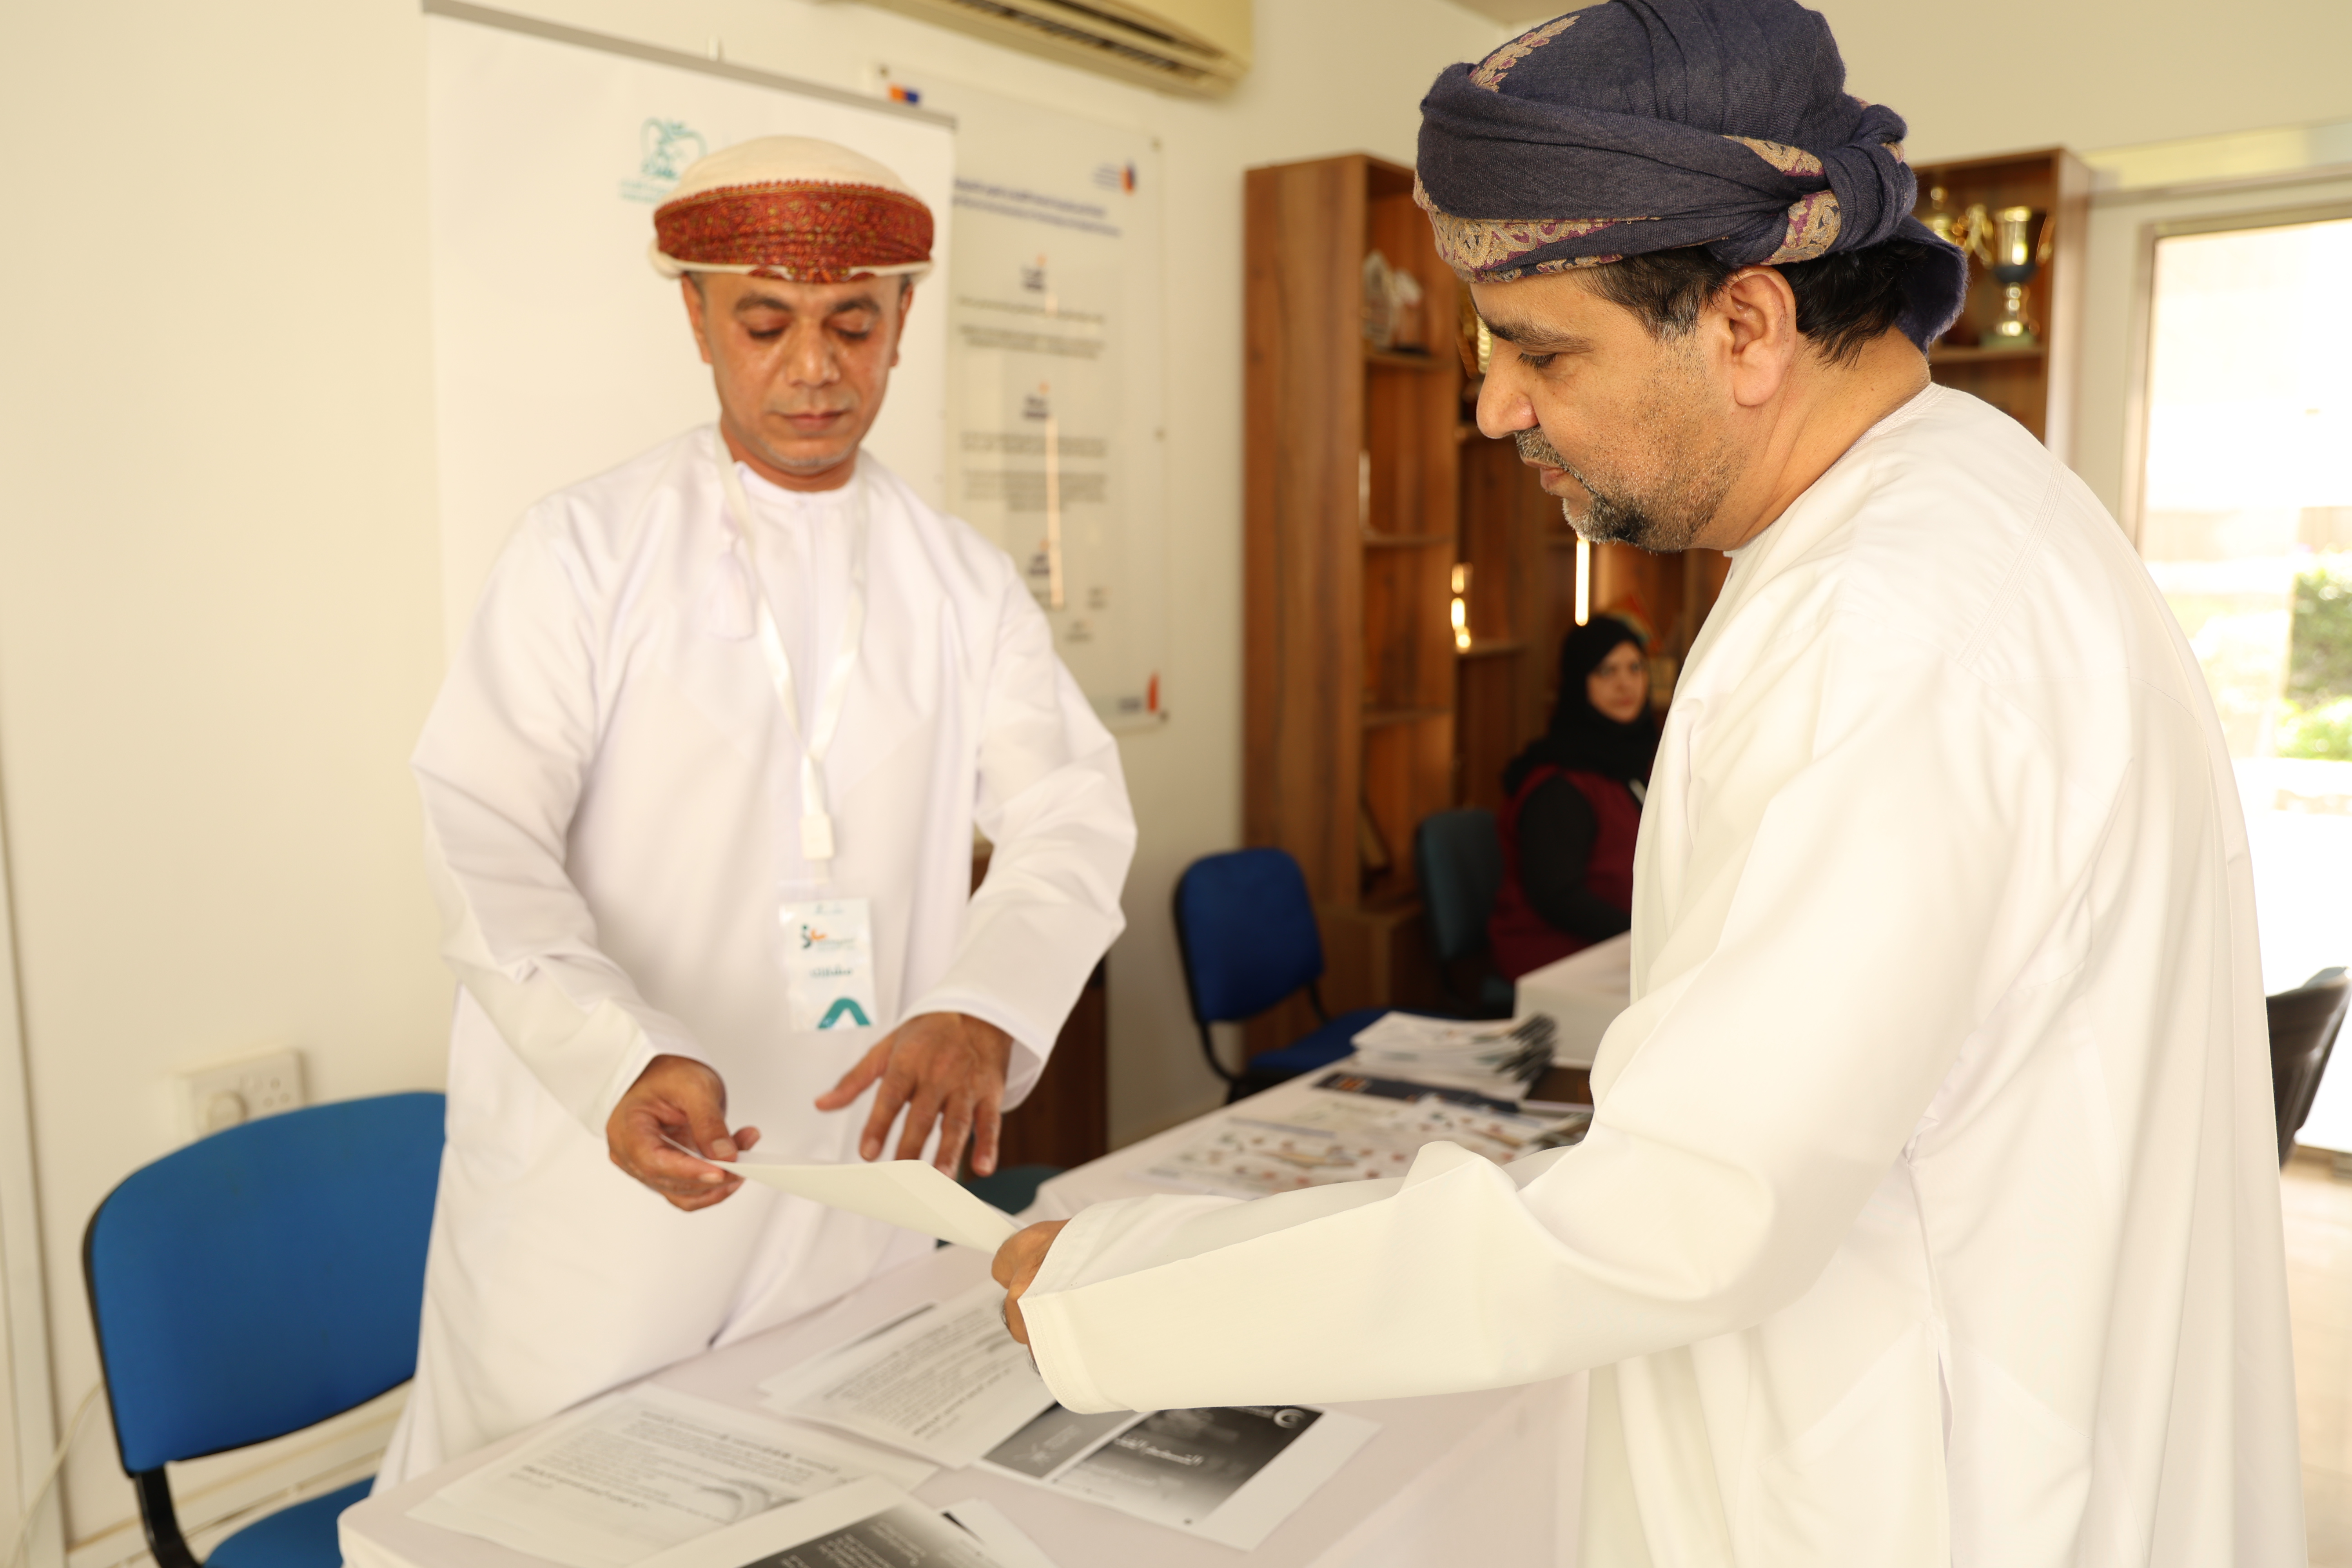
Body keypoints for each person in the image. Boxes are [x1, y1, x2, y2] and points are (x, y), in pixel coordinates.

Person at [990, 3, 2301, 1561]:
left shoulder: (1882, 621)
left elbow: (1682, 1219)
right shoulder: (1966, 508)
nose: (1495, 406)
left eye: (1543, 351)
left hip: (1940, 1494)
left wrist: (1123, 1285)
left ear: (1747, 324)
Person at [379, 136, 1136, 1484]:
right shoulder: (584, 549)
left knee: (832, 1493)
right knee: (558, 1515)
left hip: (853, 1172)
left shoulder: (959, 581)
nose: (813, 367)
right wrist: (615, 1054)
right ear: (696, 316)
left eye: (852, 322)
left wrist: (985, 1005)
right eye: (765, 321)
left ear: (902, 321)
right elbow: (482, 828)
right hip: (618, 1175)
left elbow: (1070, 812)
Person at [1490, 617, 1657, 978]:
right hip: (1558, 955)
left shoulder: (1636, 762)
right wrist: (1646, 936)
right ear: (1580, 682)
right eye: (1606, 671)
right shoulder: (1560, 786)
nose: (1625, 683)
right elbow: (1558, 896)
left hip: (1624, 946)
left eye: (1635, 668)